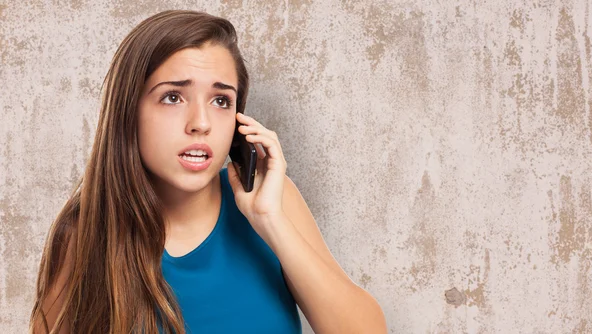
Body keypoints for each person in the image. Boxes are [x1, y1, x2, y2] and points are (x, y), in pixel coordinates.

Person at [29, 10, 387, 334]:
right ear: (129, 111)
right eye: (173, 97)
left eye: (221, 101)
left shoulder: (273, 203)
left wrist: (271, 221)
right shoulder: (84, 233)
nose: (201, 123)